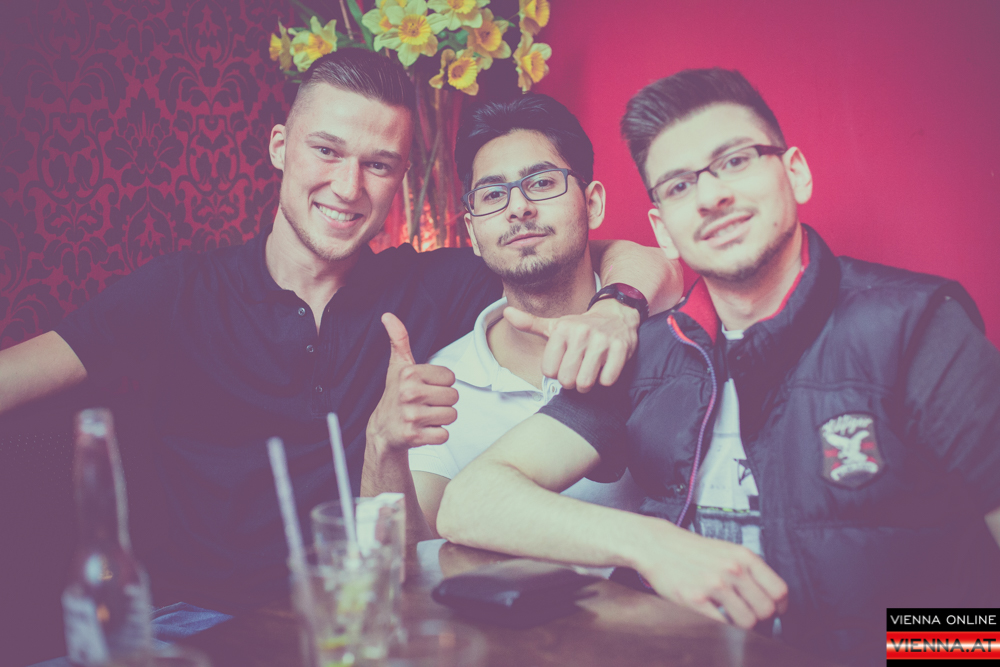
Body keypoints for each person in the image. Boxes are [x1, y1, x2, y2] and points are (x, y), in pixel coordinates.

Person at [0, 50, 678, 611]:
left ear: (399, 179)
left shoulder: (431, 286)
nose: (349, 187)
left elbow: (605, 252)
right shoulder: (179, 290)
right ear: (280, 147)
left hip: (369, 613)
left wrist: (615, 307)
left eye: (378, 164)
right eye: (326, 150)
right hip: (201, 623)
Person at [435, 68, 1000, 666]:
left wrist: (890, 652)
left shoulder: (915, 325)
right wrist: (652, 545)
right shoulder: (646, 353)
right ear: (662, 229)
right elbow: (470, 501)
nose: (710, 197)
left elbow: (983, 622)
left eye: (734, 161)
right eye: (679, 185)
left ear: (795, 173)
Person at [360, 94, 677, 541]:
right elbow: (411, 556)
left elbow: (664, 265)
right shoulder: (445, 384)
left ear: (592, 203)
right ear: (472, 232)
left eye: (542, 183)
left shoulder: (655, 330)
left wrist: (616, 312)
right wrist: (382, 444)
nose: (518, 207)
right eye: (493, 194)